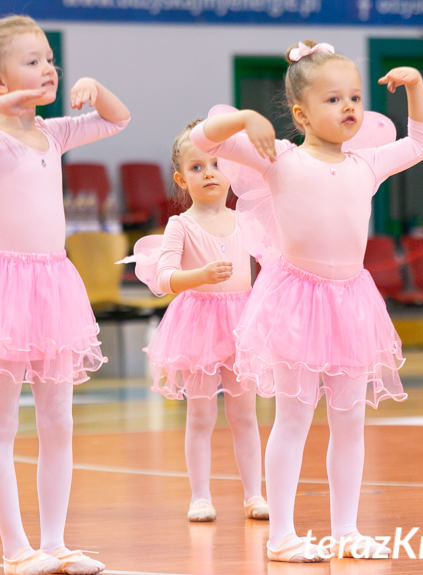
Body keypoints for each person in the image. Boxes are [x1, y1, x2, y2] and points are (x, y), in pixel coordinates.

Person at [190, 40, 423, 562]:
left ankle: (345, 529)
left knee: (350, 423)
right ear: (301, 113)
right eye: (333, 99)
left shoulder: (366, 163)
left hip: (351, 303)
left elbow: (422, 141)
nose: (349, 107)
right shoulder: (278, 157)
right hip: (296, 302)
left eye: (354, 97)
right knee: (294, 419)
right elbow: (199, 138)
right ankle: (281, 535)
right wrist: (243, 118)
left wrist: (415, 86)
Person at [0, 15, 130, 575]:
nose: (48, 70)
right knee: (1, 422)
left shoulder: (54, 132)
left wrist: (96, 91)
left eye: (50, 60)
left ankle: (56, 541)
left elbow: (118, 119)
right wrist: (2, 104)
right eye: (33, 61)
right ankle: (16, 547)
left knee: (58, 419)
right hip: (2, 284)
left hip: (53, 283)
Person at [126, 119, 268, 524]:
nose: (209, 173)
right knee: (201, 415)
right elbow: (165, 277)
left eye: (217, 164)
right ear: (181, 179)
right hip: (199, 326)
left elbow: (271, 264)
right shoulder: (180, 225)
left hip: (242, 322)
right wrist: (200, 277)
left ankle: (254, 494)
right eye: (197, 167)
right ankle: (200, 496)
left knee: (245, 414)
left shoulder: (246, 220)